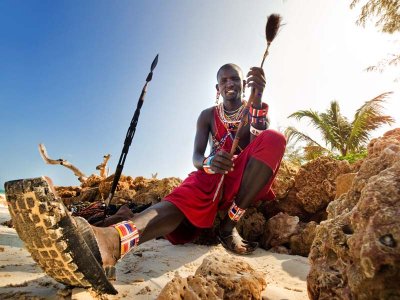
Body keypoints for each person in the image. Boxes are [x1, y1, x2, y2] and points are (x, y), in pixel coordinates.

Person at [5, 63, 286, 292]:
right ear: (217, 87)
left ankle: (228, 226)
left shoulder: (253, 110)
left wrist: (257, 100)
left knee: (274, 139)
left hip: (238, 179)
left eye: (234, 78)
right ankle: (112, 242)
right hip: (209, 178)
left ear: (244, 83)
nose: (230, 83)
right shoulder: (206, 116)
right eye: (223, 80)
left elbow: (257, 143)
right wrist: (210, 163)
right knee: (175, 204)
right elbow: (197, 157)